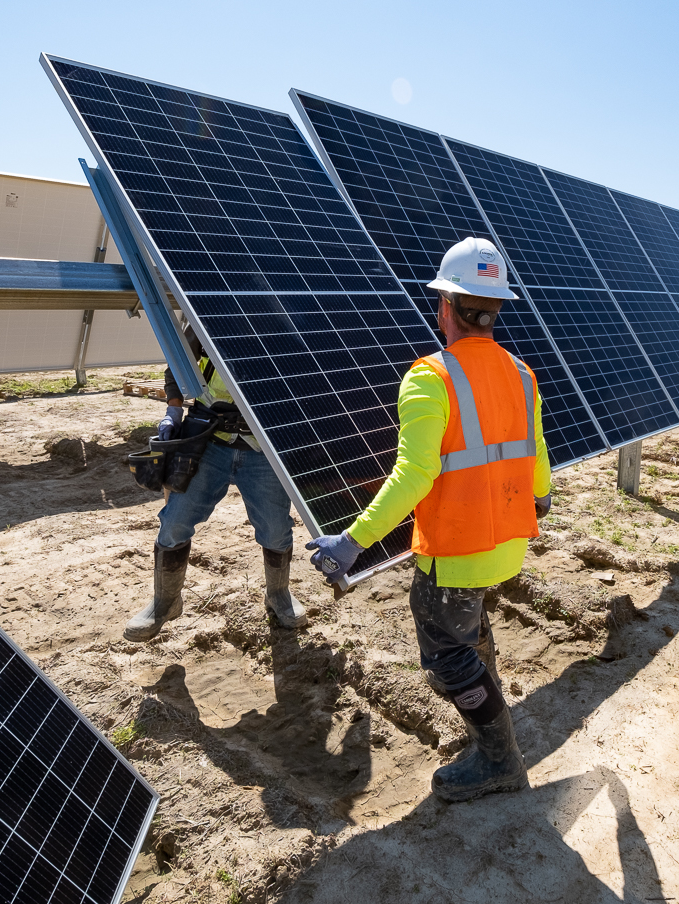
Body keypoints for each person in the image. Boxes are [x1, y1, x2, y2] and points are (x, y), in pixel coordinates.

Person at [305, 237, 551, 802]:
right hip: (508, 540)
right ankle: (493, 728)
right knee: (470, 633)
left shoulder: (429, 378)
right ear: (494, 309)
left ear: (445, 306)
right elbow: (537, 461)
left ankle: (499, 760)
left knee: (447, 659)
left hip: (456, 550)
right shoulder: (522, 375)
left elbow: (413, 475)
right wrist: (538, 497)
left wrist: (353, 541)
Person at [122, 326, 301, 641]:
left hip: (263, 449)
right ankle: (166, 602)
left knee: (276, 528)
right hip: (209, 442)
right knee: (175, 521)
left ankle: (278, 594)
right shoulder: (205, 309)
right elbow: (178, 364)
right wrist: (173, 410)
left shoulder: (286, 315)